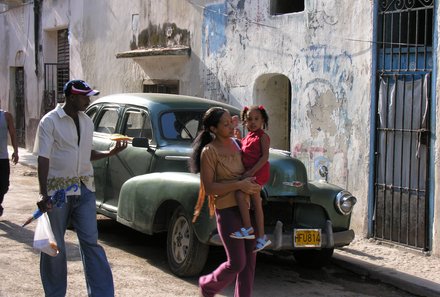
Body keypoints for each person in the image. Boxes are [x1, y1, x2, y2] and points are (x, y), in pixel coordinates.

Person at [33, 79, 127, 297]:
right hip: (58, 192)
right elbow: (43, 158)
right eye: (85, 96)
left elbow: (85, 154)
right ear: (72, 97)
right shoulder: (50, 122)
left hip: (84, 188)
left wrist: (109, 153)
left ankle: (102, 294)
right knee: (55, 247)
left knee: (91, 243)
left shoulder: (86, 121)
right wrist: (42, 192)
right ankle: (55, 293)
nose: (88, 100)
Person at [190, 107, 261, 297]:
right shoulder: (209, 152)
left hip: (247, 208)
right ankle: (208, 285)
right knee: (237, 262)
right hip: (227, 210)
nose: (231, 126)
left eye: (232, 122)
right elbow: (210, 187)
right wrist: (239, 185)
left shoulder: (239, 144)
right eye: (225, 124)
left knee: (250, 260)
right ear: (213, 129)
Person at [230, 105, 272, 252]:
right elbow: (245, 151)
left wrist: (251, 172)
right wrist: (238, 140)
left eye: (256, 119)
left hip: (258, 172)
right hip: (251, 172)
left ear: (262, 120)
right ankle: (261, 238)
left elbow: (265, 157)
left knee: (241, 194)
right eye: (249, 119)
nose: (253, 122)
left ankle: (248, 229)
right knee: (256, 202)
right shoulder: (248, 137)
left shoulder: (263, 136)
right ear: (244, 121)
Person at [0, 109, 19, 217]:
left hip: (2, 157)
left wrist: (16, 151)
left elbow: (12, 133)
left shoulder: (6, 116)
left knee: (4, 185)